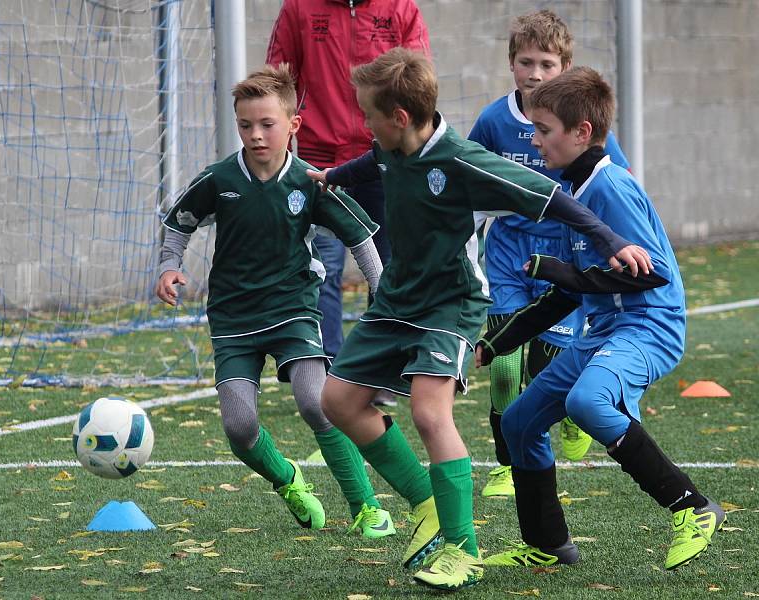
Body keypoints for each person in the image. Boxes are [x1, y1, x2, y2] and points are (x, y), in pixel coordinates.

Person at [307, 48, 651, 591]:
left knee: (428, 410)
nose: (364, 124)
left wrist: (610, 240)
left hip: (453, 301)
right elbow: (373, 161)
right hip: (398, 300)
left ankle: (461, 550)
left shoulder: (463, 161)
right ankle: (426, 499)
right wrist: (332, 177)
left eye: (369, 114)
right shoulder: (392, 145)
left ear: (399, 117)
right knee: (338, 401)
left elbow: (551, 199)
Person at [477, 66, 725, 571]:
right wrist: (493, 345)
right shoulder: (574, 193)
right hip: (603, 331)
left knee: (586, 401)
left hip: (648, 327)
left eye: (544, 130)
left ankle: (693, 508)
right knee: (521, 422)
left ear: (581, 132)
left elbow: (649, 275)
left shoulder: (610, 187)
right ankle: (548, 544)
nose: (536, 140)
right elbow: (566, 294)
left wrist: (559, 269)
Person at [155, 64, 396, 540]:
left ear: (293, 125)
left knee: (317, 402)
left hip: (293, 309)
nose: (256, 135)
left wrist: (381, 289)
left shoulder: (311, 181)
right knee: (240, 428)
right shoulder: (220, 178)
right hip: (233, 316)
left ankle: (366, 506)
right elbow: (178, 221)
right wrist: (168, 265)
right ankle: (288, 480)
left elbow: (360, 236)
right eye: (246, 125)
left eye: (267, 124)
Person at [468, 9, 631, 498]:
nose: (534, 74)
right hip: (509, 250)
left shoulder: (579, 125)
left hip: (562, 253)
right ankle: (505, 461)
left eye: (546, 64)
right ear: (510, 64)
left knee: (546, 367)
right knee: (501, 361)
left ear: (565, 68)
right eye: (525, 62)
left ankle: (569, 418)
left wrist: (613, 242)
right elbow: (469, 175)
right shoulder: (494, 120)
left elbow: (612, 178)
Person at [267, 0, 430, 407]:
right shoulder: (299, 8)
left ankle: (381, 371)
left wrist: (414, 148)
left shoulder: (400, 8)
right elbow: (278, 79)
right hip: (321, 161)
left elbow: (419, 79)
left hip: (385, 155)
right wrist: (277, 147)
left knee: (390, 264)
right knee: (322, 265)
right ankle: (329, 371)